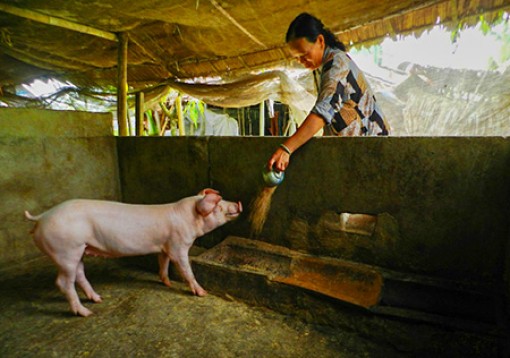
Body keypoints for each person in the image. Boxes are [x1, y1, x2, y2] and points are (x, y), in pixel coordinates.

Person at [267, 13, 390, 173]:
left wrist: (286, 148)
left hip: (373, 149)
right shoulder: (321, 68)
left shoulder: (337, 66)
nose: (302, 61)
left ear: (320, 41)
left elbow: (323, 112)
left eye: (304, 54)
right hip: (354, 152)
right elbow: (332, 116)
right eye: (297, 58)